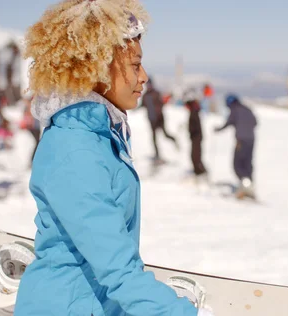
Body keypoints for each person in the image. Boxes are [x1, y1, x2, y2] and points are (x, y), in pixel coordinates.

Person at [14, 2, 212, 316]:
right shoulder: (75, 150)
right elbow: (118, 272)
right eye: (135, 65)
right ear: (99, 67)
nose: (144, 77)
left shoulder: (97, 137)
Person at [214, 94, 257, 199]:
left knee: (237, 164)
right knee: (247, 162)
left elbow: (229, 122)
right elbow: (255, 122)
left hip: (241, 141)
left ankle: (246, 185)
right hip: (251, 140)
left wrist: (219, 129)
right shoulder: (247, 109)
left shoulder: (235, 110)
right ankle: (249, 184)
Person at [141, 76, 178, 163]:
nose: (149, 86)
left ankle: (174, 139)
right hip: (151, 120)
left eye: (150, 84)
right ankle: (157, 154)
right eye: (148, 84)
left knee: (165, 134)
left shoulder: (156, 93)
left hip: (160, 119)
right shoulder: (145, 95)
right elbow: (142, 105)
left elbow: (162, 103)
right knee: (154, 138)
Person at [183, 89, 208, 183]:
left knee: (195, 156)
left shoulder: (194, 111)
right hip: (196, 137)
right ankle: (200, 172)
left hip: (196, 137)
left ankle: (200, 173)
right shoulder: (194, 110)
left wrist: (192, 132)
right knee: (195, 156)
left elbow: (195, 126)